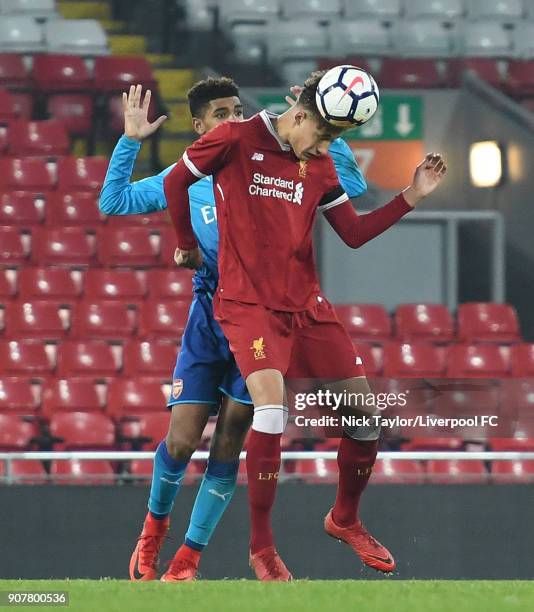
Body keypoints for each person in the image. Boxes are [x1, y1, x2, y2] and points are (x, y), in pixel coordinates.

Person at [164, 70, 447, 581]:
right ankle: (262, 549)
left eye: (333, 140)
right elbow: (174, 179)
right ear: (299, 115)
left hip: (307, 307)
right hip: (247, 305)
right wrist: (185, 242)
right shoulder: (234, 137)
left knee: (366, 418)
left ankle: (345, 519)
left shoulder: (317, 165)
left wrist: (412, 195)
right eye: (321, 135)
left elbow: (354, 234)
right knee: (272, 410)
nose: (322, 147)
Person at [99, 77, 368, 582]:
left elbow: (346, 189)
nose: (234, 120)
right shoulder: (192, 174)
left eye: (238, 109)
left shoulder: (279, 161)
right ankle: (154, 530)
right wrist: (130, 141)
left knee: (230, 444)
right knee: (181, 441)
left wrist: (327, 123)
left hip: (265, 317)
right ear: (200, 128)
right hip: (211, 314)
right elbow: (113, 202)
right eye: (221, 114)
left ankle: (189, 558)